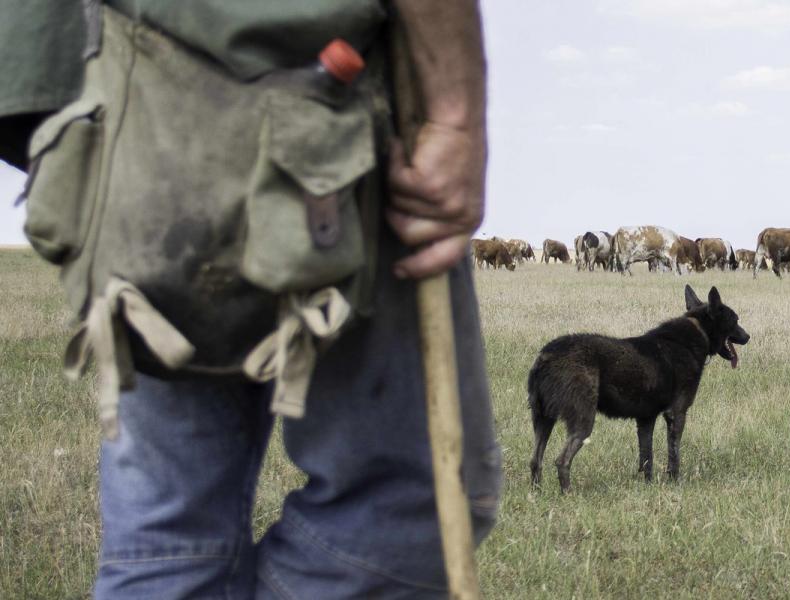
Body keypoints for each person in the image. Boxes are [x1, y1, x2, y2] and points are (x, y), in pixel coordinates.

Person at [0, 1, 500, 598]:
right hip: (321, 106)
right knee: (410, 508)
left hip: (127, 90)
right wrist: (454, 117)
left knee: (168, 539)